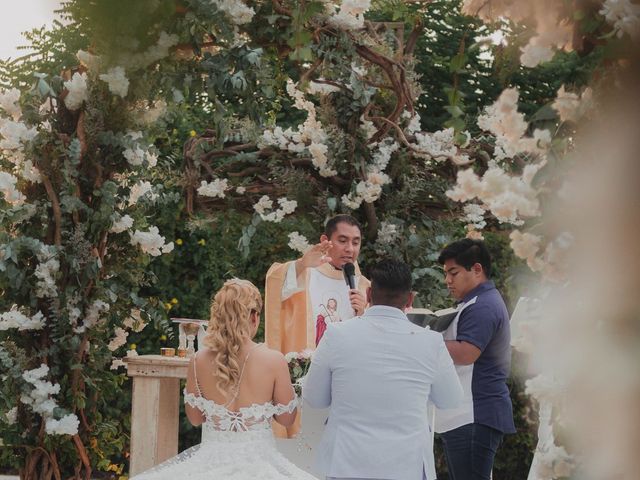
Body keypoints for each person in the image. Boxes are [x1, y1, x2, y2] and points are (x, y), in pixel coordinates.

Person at [131, 279, 318, 480]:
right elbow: (286, 419)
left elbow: (195, 419)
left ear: (217, 315)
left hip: (210, 463)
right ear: (254, 316)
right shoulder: (274, 360)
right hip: (258, 465)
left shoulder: (198, 360)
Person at [303, 259, 463, 480]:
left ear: (368, 294)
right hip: (407, 465)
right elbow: (451, 400)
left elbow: (314, 398)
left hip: (346, 462)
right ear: (410, 299)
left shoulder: (336, 334)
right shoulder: (432, 342)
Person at [265, 214, 370, 437]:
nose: (350, 248)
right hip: (308, 377)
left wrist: (365, 313)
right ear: (326, 240)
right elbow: (276, 284)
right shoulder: (306, 274)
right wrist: (302, 264)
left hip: (347, 382)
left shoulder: (363, 286)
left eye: (356, 242)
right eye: (342, 240)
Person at [434, 239, 516, 480]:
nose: (447, 280)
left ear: (477, 269)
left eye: (453, 272)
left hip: (474, 414)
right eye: (446, 273)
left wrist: (424, 339)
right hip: (465, 415)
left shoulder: (483, 305)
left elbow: (467, 353)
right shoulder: (474, 302)